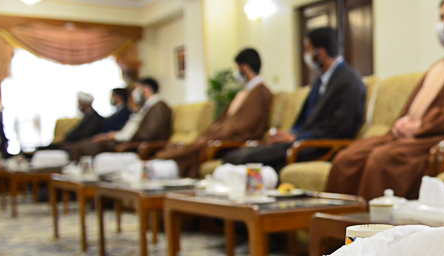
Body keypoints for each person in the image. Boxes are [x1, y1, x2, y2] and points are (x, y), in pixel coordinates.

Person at [325, 0, 444, 200]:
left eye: (442, 17)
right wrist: (402, 122)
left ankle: (376, 221)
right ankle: (336, 221)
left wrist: (423, 126)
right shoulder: (442, 63)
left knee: (383, 160)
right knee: (347, 158)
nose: (439, 24)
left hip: (440, 140)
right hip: (413, 136)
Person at [223, 27, 367, 170]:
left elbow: (340, 128)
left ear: (320, 52)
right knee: (235, 157)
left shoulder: (349, 81)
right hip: (302, 143)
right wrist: (290, 134)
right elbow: (305, 119)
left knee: (246, 159)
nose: (306, 55)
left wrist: (298, 138)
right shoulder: (320, 80)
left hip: (319, 146)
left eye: (308, 49)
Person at [155, 48, 272, 178]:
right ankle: (161, 167)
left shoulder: (262, 93)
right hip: (219, 137)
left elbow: (248, 125)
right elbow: (223, 120)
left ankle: (163, 169)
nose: (236, 73)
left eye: (237, 68)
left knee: (193, 150)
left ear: (244, 67)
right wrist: (210, 134)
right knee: (185, 147)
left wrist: (216, 136)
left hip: (230, 142)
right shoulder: (242, 94)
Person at [68, 78, 173, 160]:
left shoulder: (158, 106)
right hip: (126, 143)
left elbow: (146, 135)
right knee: (82, 146)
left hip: (133, 146)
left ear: (146, 89)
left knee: (87, 148)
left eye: (138, 89)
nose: (135, 93)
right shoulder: (145, 108)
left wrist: (119, 139)